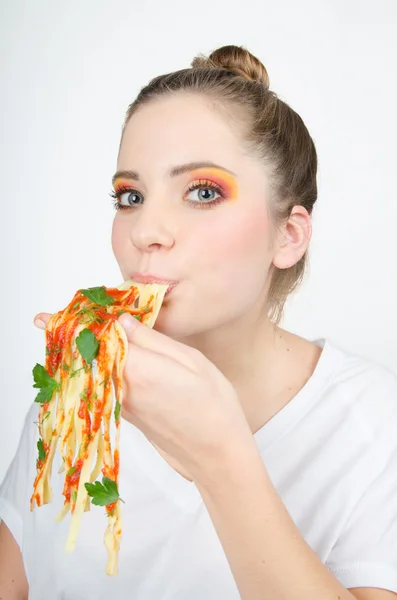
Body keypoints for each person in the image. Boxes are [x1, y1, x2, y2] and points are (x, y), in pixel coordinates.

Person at [0, 44, 396, 600]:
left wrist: (219, 454)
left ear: (288, 236)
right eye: (130, 196)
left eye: (203, 192)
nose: (145, 230)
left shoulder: (377, 426)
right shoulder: (70, 405)